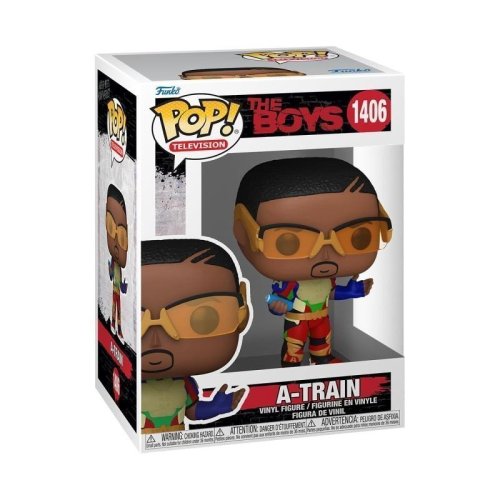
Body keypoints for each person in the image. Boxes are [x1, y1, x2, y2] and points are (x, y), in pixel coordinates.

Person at [233, 157, 392, 367]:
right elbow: (276, 298)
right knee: (294, 346)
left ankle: (321, 359)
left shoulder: (328, 278)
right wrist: (275, 305)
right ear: (245, 233)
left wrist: (354, 290)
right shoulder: (290, 281)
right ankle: (291, 366)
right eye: (289, 242)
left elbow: (330, 293)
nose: (325, 255)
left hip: (321, 317)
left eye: (358, 237)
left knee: (322, 341)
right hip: (297, 318)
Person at [141, 239, 249, 433]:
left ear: (241, 312)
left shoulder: (184, 384)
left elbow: (192, 412)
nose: (156, 341)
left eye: (201, 319)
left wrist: (217, 407)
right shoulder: (126, 380)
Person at [106, 184, 128, 343]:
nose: (115, 244)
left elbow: (119, 282)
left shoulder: (119, 264)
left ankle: (118, 328)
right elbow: (111, 275)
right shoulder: (115, 262)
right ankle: (113, 324)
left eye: (121, 236)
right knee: (114, 307)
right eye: (109, 225)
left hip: (117, 292)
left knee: (118, 309)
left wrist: (124, 286)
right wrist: (110, 271)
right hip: (115, 290)